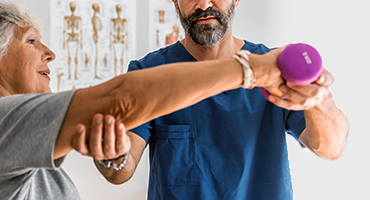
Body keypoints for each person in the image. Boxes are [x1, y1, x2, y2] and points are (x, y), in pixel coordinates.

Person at [0, 1, 287, 199]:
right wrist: (251, 69)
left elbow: (329, 145)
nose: (50, 53)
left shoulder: (29, 152)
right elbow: (121, 99)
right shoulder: (5, 121)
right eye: (30, 41)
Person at [78, 0, 349, 199]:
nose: (204, 4)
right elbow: (119, 171)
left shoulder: (273, 68)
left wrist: (318, 100)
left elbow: (331, 147)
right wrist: (109, 155)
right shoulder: (148, 74)